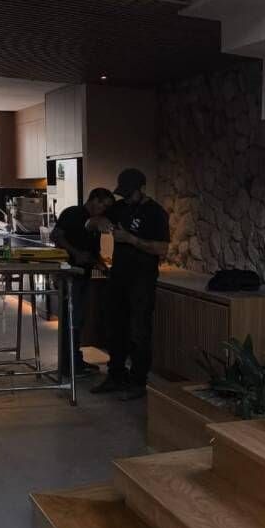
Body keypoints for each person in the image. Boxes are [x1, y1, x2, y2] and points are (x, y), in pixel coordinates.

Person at [92, 168, 170, 401]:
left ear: (142, 189)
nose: (126, 197)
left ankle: (138, 382)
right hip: (118, 277)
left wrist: (131, 239)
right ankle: (115, 375)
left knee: (139, 332)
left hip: (142, 280)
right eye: (123, 193)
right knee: (115, 328)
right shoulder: (120, 207)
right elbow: (96, 219)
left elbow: (162, 249)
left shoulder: (156, 213)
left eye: (130, 193)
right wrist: (101, 222)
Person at [50, 187, 114, 377]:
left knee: (79, 318)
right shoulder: (72, 213)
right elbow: (56, 236)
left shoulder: (96, 222)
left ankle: (76, 360)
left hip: (85, 274)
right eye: (103, 205)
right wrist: (75, 253)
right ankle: (69, 364)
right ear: (94, 200)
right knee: (72, 318)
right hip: (69, 273)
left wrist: (101, 265)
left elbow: (93, 250)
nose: (104, 210)